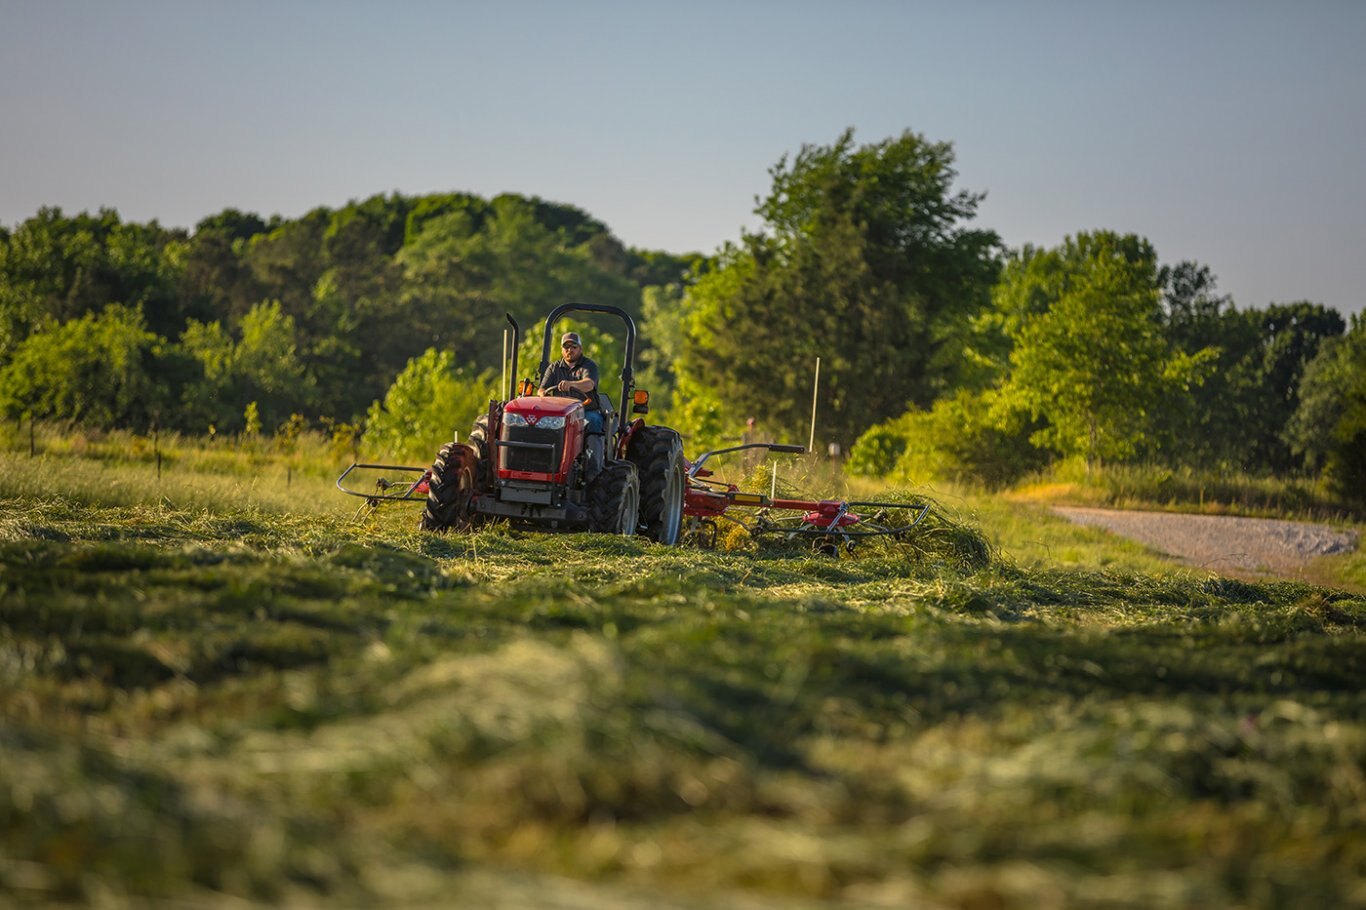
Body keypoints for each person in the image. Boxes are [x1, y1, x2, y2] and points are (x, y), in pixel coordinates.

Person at [540, 331, 606, 470]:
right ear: (561, 350)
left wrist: (571, 384)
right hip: (561, 414)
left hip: (586, 411)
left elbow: (589, 384)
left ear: (580, 349)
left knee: (593, 421)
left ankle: (593, 467)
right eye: (566, 347)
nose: (570, 350)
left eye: (573, 346)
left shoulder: (589, 366)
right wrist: (544, 397)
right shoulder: (553, 368)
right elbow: (542, 389)